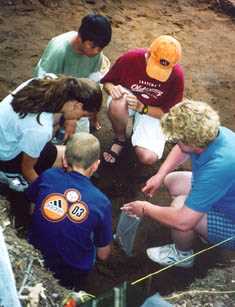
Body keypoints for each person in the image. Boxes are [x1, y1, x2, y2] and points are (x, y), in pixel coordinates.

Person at [122, 100, 235, 268]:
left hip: (231, 223)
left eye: (178, 139)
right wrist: (160, 175)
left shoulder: (219, 166)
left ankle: (182, 255)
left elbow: (183, 221)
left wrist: (145, 208)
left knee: (179, 207)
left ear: (193, 142)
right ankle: (202, 229)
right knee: (172, 181)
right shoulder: (216, 133)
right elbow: (181, 148)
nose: (175, 142)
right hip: (224, 193)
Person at [26, 133, 112, 289]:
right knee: (92, 229)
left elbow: (32, 209)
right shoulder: (101, 202)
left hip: (34, 253)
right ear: (96, 165)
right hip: (71, 271)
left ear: (64, 160)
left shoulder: (48, 176)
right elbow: (103, 255)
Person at [0, 75, 102, 192]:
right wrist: (46, 194)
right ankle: (8, 175)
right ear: (77, 105)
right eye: (83, 115)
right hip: (6, 155)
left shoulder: (47, 81)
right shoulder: (41, 128)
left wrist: (70, 119)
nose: (79, 119)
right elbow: (27, 169)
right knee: (69, 156)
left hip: (8, 133)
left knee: (64, 145)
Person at [100, 35, 184, 165]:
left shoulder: (177, 76)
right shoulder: (130, 58)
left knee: (147, 157)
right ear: (148, 54)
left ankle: (142, 130)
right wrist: (112, 89)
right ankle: (120, 139)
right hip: (128, 99)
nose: (156, 75)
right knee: (117, 104)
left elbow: (169, 113)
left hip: (153, 111)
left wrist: (143, 108)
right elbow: (107, 82)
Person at [33, 13, 112, 133]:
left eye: (101, 48)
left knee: (82, 139)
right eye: (93, 46)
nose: (97, 51)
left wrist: (92, 114)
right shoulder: (58, 50)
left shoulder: (96, 54)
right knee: (47, 132)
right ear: (80, 37)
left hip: (76, 97)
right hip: (51, 95)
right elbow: (42, 86)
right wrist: (68, 116)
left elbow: (92, 85)